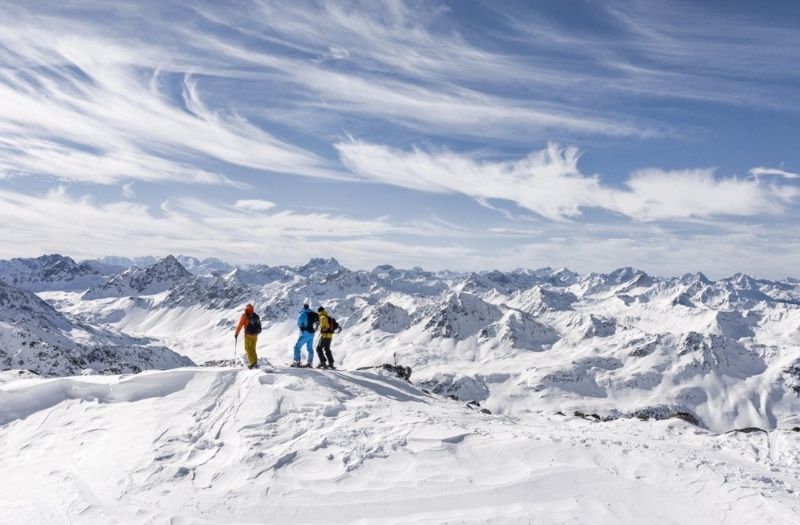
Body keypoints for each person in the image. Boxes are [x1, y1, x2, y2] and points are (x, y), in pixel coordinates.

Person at [292, 299, 318, 367]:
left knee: (297, 346)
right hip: (312, 333)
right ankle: (309, 362)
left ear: (303, 306)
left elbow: (299, 323)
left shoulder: (303, 313)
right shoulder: (312, 313)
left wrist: (302, 327)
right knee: (310, 348)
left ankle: (296, 361)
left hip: (305, 333)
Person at [235, 304, 261, 369]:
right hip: (255, 335)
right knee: (253, 348)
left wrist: (236, 333)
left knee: (248, 348)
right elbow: (259, 325)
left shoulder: (245, 315)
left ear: (246, 309)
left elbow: (240, 325)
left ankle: (252, 363)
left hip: (248, 335)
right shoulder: (256, 315)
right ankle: (255, 362)